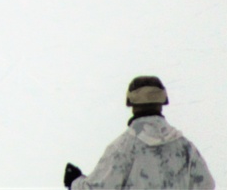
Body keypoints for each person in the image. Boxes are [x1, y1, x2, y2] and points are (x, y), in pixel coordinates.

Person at [63, 76, 215, 190]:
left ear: (131, 102)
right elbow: (206, 185)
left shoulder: (123, 148)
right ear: (162, 101)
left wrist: (74, 181)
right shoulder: (185, 148)